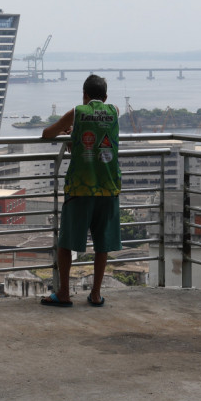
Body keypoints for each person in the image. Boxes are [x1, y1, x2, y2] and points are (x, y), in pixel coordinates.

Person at [39, 74, 121, 307]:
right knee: (102, 244)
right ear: (105, 97)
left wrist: (70, 133)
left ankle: (64, 293)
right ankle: (95, 294)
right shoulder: (114, 111)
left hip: (81, 187)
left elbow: (47, 133)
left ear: (84, 95)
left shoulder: (77, 112)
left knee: (66, 243)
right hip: (109, 186)